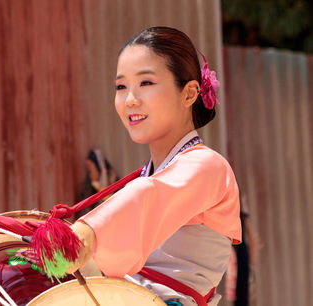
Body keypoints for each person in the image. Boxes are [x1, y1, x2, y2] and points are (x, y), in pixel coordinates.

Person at [69, 27, 242, 306]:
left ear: (189, 94)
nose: (130, 100)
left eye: (146, 83)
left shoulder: (208, 166)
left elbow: (151, 195)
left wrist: (85, 234)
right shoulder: (155, 173)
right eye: (121, 87)